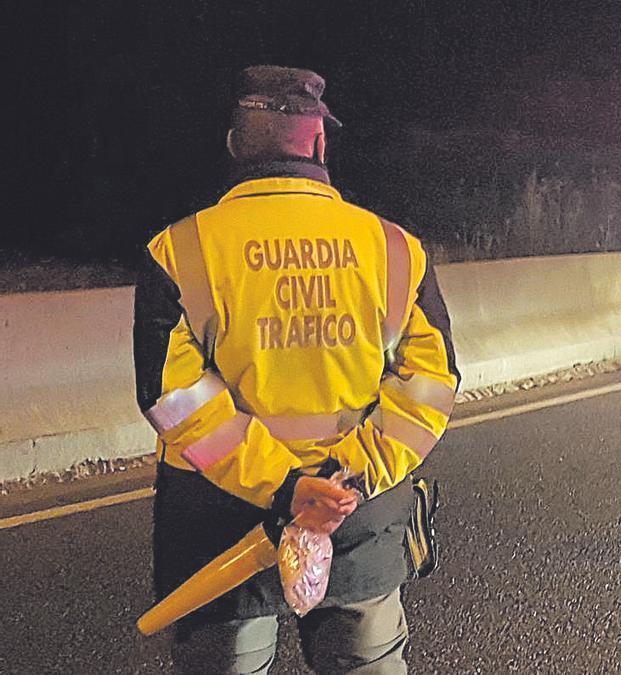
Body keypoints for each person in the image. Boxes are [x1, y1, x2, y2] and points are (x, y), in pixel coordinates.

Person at [133, 65, 459, 673]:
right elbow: (430, 383)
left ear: (234, 144)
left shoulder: (179, 250)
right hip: (355, 513)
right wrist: (343, 480)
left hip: (220, 524)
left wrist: (283, 487)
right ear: (320, 144)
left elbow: (172, 395)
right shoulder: (394, 248)